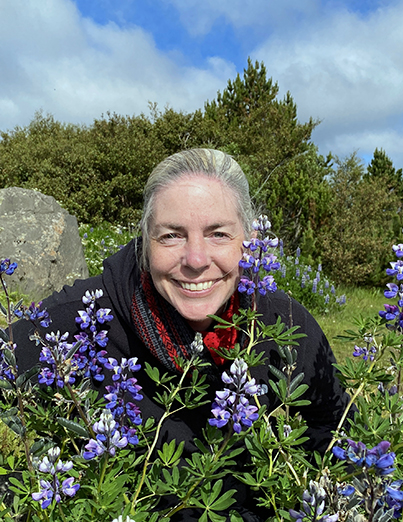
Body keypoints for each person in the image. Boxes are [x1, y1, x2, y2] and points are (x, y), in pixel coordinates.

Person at [12, 148, 350, 521]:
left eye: (219, 234)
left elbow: (338, 431)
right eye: (171, 235)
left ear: (250, 241)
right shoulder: (79, 317)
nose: (195, 259)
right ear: (145, 239)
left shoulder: (284, 322)